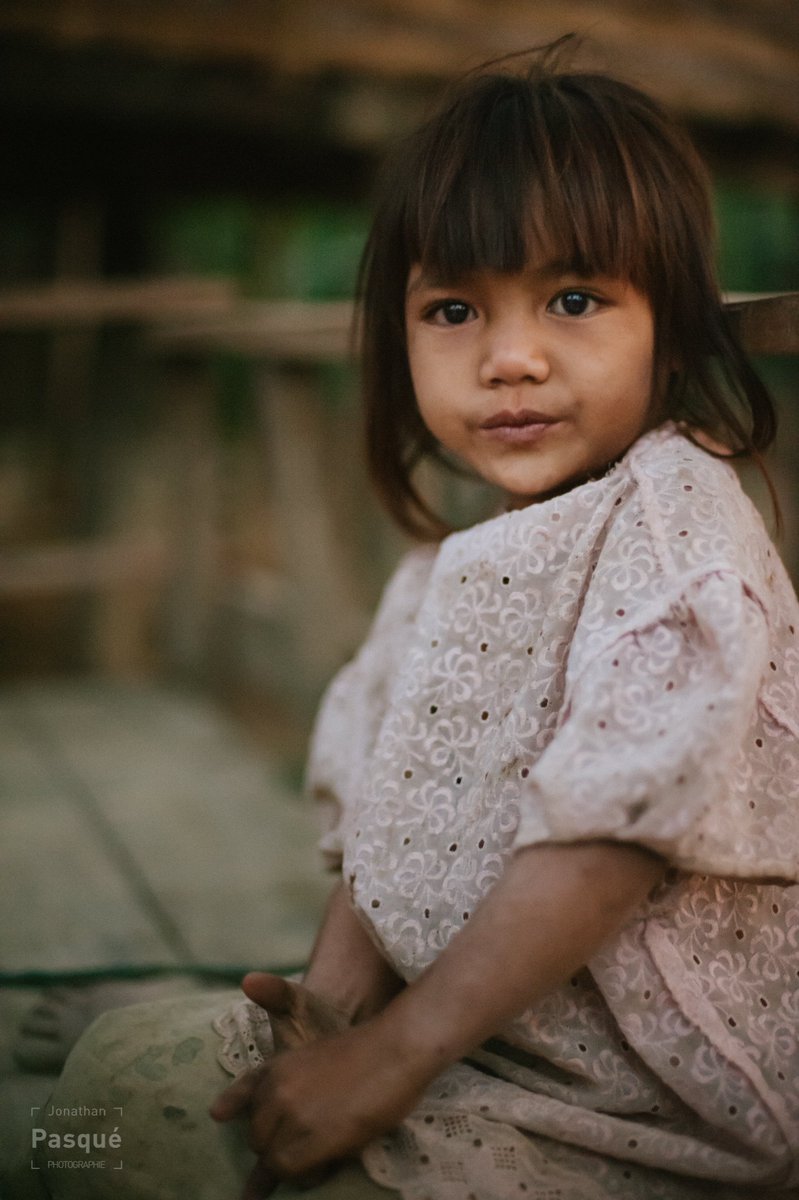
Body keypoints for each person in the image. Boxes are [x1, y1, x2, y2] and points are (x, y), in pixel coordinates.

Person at [26, 41, 799, 1200]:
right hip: (469, 1048)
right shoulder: (443, 574)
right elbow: (386, 826)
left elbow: (611, 836)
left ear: (673, 332)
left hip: (640, 1108)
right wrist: (327, 1023)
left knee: (134, 1146)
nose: (510, 358)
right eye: (452, 309)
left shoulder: (674, 530)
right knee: (110, 1087)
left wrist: (387, 1059)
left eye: (574, 300)